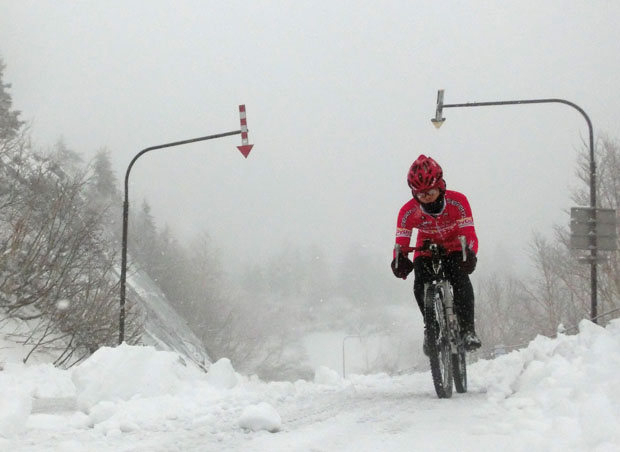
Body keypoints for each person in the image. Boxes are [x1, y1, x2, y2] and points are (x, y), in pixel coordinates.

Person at [390, 154, 481, 354]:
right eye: (421, 194)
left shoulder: (458, 202)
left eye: (430, 191)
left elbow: (470, 234)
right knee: (419, 282)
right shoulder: (407, 212)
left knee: (460, 279)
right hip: (426, 248)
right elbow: (401, 244)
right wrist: (400, 260)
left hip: (455, 246)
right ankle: (431, 329)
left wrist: (470, 253)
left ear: (441, 186)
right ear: (414, 194)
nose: (427, 197)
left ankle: (467, 330)